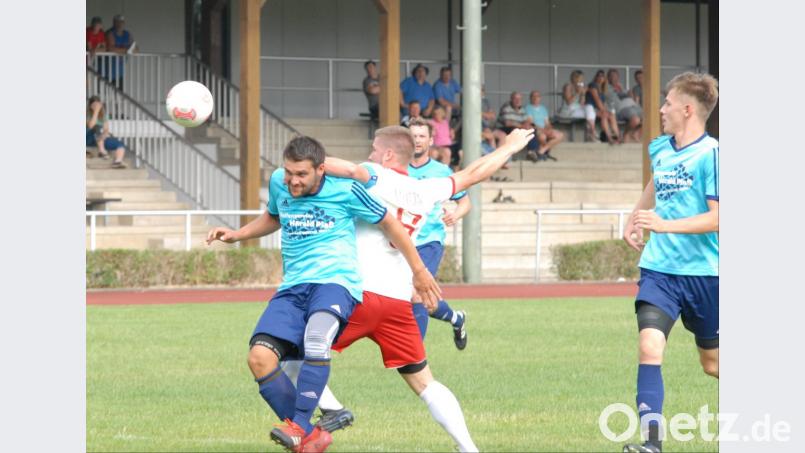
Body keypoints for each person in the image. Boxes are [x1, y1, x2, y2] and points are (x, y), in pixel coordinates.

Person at [285, 125, 534, 453]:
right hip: (397, 302)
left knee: (291, 352)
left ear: (387, 154)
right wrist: (509, 148)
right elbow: (473, 174)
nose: (370, 154)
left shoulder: (375, 175)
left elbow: (349, 169)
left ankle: (333, 409)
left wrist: (305, 164)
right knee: (424, 381)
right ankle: (469, 448)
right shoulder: (426, 189)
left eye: (374, 149)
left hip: (356, 295)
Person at [205, 136, 441, 453]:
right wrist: (238, 234)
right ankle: (312, 437)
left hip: (335, 283)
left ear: (321, 169)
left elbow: (391, 224)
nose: (293, 181)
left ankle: (299, 426)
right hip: (293, 287)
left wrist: (419, 271)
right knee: (259, 358)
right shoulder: (279, 182)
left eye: (301, 174)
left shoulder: (347, 189)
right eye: (289, 173)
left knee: (316, 339)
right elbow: (274, 215)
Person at [621, 72, 719, 453]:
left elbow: (718, 218)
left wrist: (664, 224)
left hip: (704, 275)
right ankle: (652, 444)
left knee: (712, 364)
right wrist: (635, 216)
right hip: (659, 270)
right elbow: (656, 181)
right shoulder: (661, 148)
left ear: (687, 109)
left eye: (667, 102)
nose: (661, 109)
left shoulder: (712, 155)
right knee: (649, 346)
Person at [407, 117, 473, 346]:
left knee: (417, 292)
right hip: (401, 242)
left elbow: (465, 202)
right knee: (420, 299)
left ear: (431, 141)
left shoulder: (441, 171)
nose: (417, 140)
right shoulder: (396, 169)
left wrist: (455, 214)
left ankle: (414, 355)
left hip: (429, 241)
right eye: (413, 136)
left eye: (421, 136)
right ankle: (456, 318)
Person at [494, 92, 539, 161]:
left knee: (531, 130)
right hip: (503, 129)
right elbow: (507, 123)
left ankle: (531, 152)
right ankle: (512, 153)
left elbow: (526, 120)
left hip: (517, 128)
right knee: (515, 130)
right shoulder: (506, 108)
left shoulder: (522, 109)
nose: (518, 101)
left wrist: (528, 125)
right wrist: (522, 126)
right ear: (511, 99)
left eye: (519, 99)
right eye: (516, 99)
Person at [86, 96, 127, 168]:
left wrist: (104, 135)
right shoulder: (87, 114)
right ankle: (102, 151)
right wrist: (96, 111)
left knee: (119, 144)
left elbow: (106, 129)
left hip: (98, 139)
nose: (97, 106)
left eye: (98, 105)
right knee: (97, 127)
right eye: (94, 105)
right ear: (90, 106)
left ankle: (118, 162)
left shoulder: (103, 115)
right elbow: (90, 126)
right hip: (88, 138)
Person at [558, 70, 597, 142]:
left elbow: (582, 103)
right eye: (580, 78)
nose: (582, 80)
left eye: (582, 78)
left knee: (589, 107)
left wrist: (583, 93)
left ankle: (592, 131)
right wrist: (577, 93)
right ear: (574, 78)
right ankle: (592, 133)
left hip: (577, 109)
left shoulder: (580, 87)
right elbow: (569, 102)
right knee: (591, 114)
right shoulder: (568, 86)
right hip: (569, 111)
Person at [526, 90, 564, 161]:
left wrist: (549, 129)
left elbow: (547, 123)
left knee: (560, 135)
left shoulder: (543, 109)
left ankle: (541, 151)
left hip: (545, 130)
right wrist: (543, 130)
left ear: (540, 98)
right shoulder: (528, 108)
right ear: (530, 98)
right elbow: (531, 123)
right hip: (536, 129)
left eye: (537, 96)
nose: (535, 98)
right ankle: (543, 153)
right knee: (542, 137)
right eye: (533, 96)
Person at [587, 70, 622, 145]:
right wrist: (604, 110)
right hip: (591, 108)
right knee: (604, 115)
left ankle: (618, 137)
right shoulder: (592, 85)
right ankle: (609, 138)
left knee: (611, 115)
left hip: (599, 109)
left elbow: (605, 102)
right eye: (599, 76)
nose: (600, 78)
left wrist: (606, 110)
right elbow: (597, 99)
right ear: (596, 77)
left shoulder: (603, 87)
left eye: (602, 76)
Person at [608, 69, 643, 143]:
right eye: (612, 76)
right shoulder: (607, 88)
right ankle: (626, 134)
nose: (614, 78)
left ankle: (635, 134)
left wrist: (628, 92)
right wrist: (617, 90)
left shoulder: (622, 88)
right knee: (636, 120)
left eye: (616, 76)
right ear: (609, 78)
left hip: (634, 106)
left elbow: (632, 97)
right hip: (622, 109)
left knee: (649, 117)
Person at [103, 15, 134, 89]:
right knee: (105, 92)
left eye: (121, 22)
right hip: (106, 71)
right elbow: (111, 48)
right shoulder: (110, 33)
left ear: (124, 23)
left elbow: (135, 48)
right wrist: (127, 50)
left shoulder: (127, 34)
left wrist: (123, 50)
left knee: (119, 93)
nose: (119, 24)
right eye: (117, 22)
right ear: (113, 23)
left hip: (119, 72)